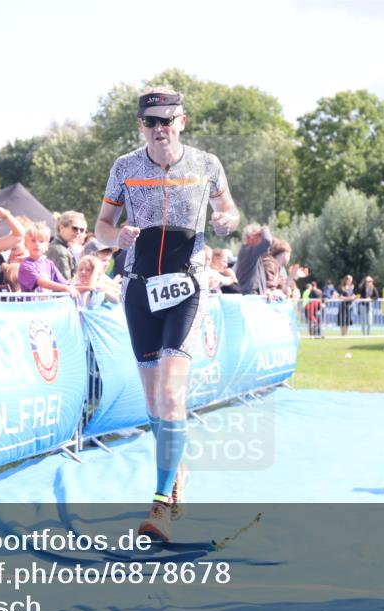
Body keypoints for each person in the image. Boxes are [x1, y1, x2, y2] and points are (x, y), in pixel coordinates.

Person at [95, 86, 239, 541]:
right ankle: (177, 470)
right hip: (138, 289)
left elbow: (228, 210)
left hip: (186, 287)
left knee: (173, 395)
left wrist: (226, 222)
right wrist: (113, 238)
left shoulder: (207, 165)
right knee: (155, 401)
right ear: (141, 126)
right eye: (150, 122)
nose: (159, 129)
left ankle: (160, 506)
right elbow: (102, 224)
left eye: (167, 120)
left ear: (182, 121)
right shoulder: (124, 167)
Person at [18, 222, 79, 297]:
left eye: (41, 241)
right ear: (26, 244)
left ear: (47, 246)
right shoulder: (26, 266)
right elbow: (41, 282)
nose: (37, 244)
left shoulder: (49, 264)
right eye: (33, 240)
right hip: (31, 306)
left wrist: (77, 288)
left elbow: (64, 282)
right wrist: (65, 288)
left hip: (47, 304)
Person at [47, 211, 87, 282]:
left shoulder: (64, 248)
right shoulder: (60, 251)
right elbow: (65, 282)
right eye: (75, 228)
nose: (78, 232)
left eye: (81, 230)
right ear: (62, 228)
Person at [235, 223, 272, 295]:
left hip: (251, 293)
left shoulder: (251, 252)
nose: (261, 239)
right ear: (249, 237)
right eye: (259, 236)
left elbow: (268, 246)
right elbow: (267, 242)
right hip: (249, 294)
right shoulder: (248, 251)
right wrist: (264, 228)